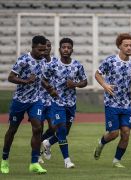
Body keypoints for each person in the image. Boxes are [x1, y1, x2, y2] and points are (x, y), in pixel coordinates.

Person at [93, 33, 131, 168]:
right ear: (119, 46)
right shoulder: (111, 61)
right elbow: (97, 74)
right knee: (114, 133)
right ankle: (101, 142)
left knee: (126, 133)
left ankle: (116, 161)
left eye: (130, 45)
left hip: (126, 104)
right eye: (126, 45)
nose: (129, 48)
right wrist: (104, 85)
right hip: (111, 103)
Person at [0, 35, 47, 174]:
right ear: (33, 47)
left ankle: (34, 163)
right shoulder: (23, 60)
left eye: (44, 50)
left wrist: (49, 88)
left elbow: (39, 79)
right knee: (12, 130)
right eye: (40, 50)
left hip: (36, 100)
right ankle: (4, 160)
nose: (42, 53)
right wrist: (26, 81)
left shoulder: (43, 60)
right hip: (20, 101)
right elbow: (11, 77)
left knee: (38, 128)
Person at [42, 38, 88, 168]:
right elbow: (43, 80)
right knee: (61, 130)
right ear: (60, 49)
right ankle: (67, 161)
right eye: (64, 47)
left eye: (68, 47)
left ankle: (48, 143)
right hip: (57, 102)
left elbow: (84, 82)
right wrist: (51, 90)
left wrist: (75, 84)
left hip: (71, 103)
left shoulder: (77, 65)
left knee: (65, 132)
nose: (66, 49)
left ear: (72, 49)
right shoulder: (53, 65)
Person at [38, 39, 56, 164]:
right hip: (38, 99)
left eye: (49, 46)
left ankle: (44, 143)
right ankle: (37, 155)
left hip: (52, 100)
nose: (46, 48)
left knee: (54, 127)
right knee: (38, 128)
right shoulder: (37, 61)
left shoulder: (56, 61)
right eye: (44, 46)